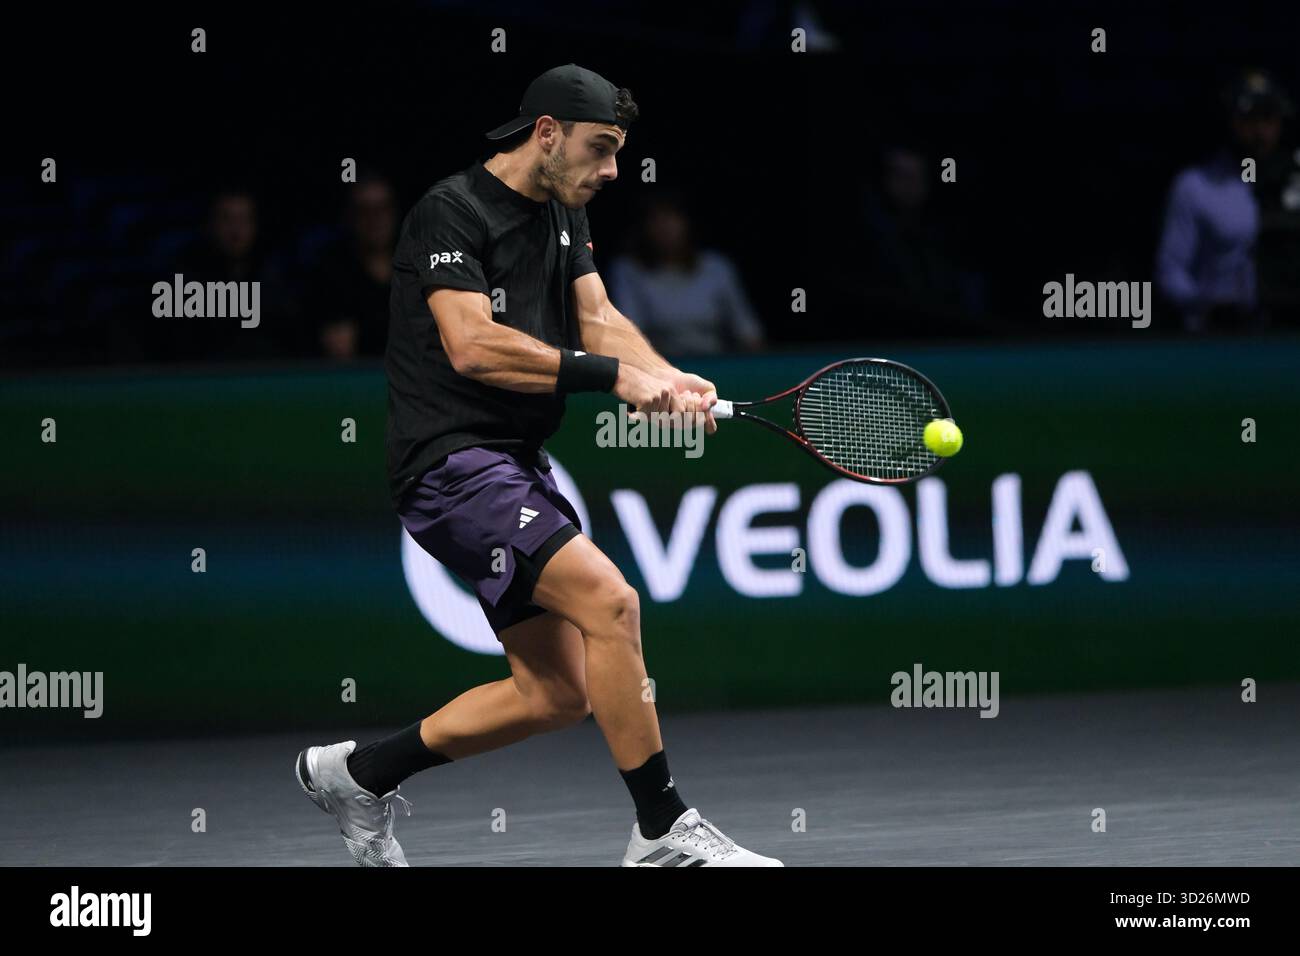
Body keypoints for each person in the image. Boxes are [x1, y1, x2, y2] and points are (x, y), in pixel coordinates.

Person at [294, 63, 782, 867]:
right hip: (450, 463)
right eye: (600, 149)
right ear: (546, 133)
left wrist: (661, 375)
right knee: (612, 602)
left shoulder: (564, 214)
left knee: (556, 695)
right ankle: (662, 830)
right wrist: (614, 378)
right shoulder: (448, 212)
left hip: (512, 462)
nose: (613, 171)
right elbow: (473, 345)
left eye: (619, 152)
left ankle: (357, 774)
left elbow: (596, 317)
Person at [1156, 69, 1293, 332]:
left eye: (1268, 117)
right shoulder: (1195, 186)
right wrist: (1206, 305)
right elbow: (1170, 271)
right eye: (1249, 118)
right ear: (1230, 121)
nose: (1260, 130)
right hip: (1221, 339)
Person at [607, 192, 764, 355]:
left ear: (688, 223)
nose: (664, 227)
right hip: (659, 369)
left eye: (672, 217)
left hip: (718, 365)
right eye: (655, 219)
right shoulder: (627, 271)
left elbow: (748, 331)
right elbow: (630, 333)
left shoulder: (717, 267)